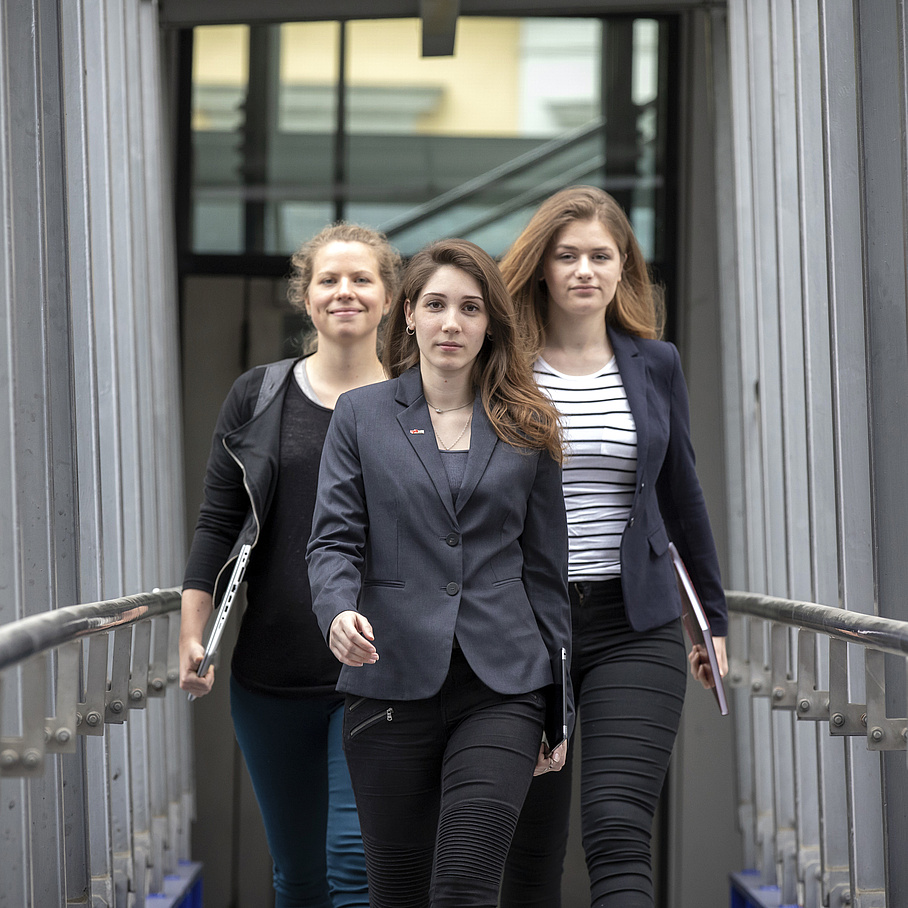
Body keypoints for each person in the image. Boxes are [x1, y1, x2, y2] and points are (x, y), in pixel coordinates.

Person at [305, 238, 574, 908]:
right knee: (397, 892)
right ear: (408, 317)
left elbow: (547, 573)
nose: (451, 322)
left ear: (490, 324)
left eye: (469, 308)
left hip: (503, 684)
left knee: (464, 885)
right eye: (436, 305)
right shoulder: (360, 416)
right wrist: (337, 610)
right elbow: (333, 540)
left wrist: (558, 708)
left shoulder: (529, 424)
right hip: (389, 674)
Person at [497, 185, 729, 908]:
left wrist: (711, 621)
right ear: (541, 267)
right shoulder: (503, 367)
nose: (584, 271)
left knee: (618, 825)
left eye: (602, 256)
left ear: (623, 267)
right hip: (526, 625)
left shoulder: (655, 363)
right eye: (567, 256)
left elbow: (680, 496)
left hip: (636, 621)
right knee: (531, 843)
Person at [179, 223, 402, 908]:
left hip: (380, 673)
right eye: (329, 280)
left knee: (352, 867)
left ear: (389, 298)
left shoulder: (417, 400)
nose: (345, 292)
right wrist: (194, 633)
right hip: (269, 675)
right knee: (298, 877)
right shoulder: (260, 395)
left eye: (362, 279)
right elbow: (219, 522)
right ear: (304, 297)